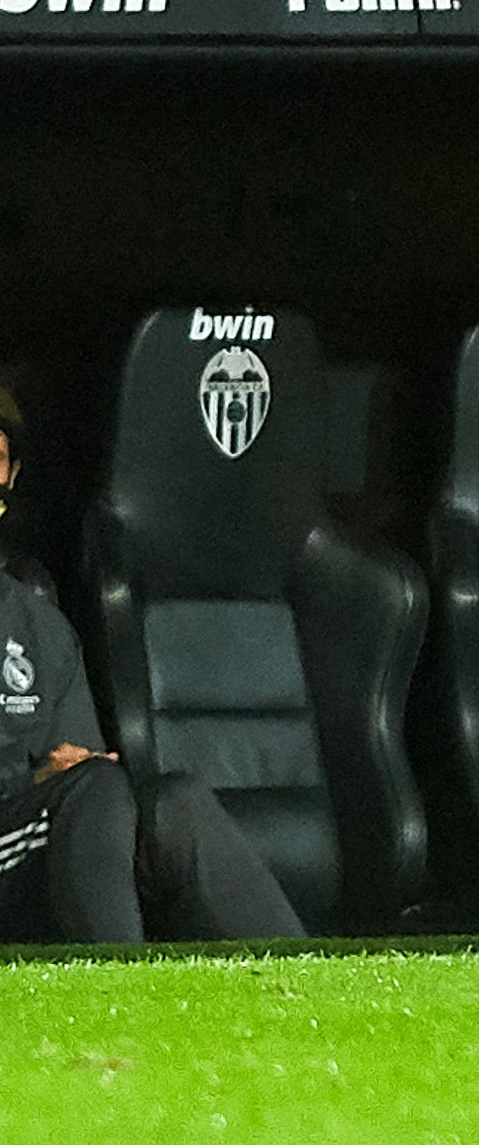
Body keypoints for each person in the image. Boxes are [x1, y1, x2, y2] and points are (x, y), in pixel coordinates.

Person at [0, 401, 306, 945]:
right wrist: (43, 782)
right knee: (91, 792)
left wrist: (69, 775)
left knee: (175, 804)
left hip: (35, 843)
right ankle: (121, 996)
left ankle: (319, 1001)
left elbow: (82, 767)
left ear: (12, 477)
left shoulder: (37, 622)